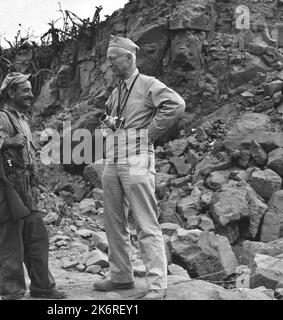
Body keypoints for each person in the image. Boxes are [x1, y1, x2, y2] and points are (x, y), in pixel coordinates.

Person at [94, 35, 186, 299]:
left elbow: (176, 105)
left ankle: (158, 285)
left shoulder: (148, 84)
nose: (109, 63)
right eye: (109, 58)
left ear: (129, 58)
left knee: (145, 222)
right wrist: (106, 130)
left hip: (136, 158)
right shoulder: (116, 92)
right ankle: (121, 277)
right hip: (113, 160)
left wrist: (149, 133)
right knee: (113, 221)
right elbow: (108, 122)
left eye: (113, 59)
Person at [0, 72, 66, 300]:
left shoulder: (22, 120)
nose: (30, 94)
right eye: (24, 90)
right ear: (11, 93)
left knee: (37, 239)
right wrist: (8, 141)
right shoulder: (0, 118)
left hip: (25, 187)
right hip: (7, 188)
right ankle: (13, 292)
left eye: (30, 90)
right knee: (9, 244)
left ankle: (43, 287)